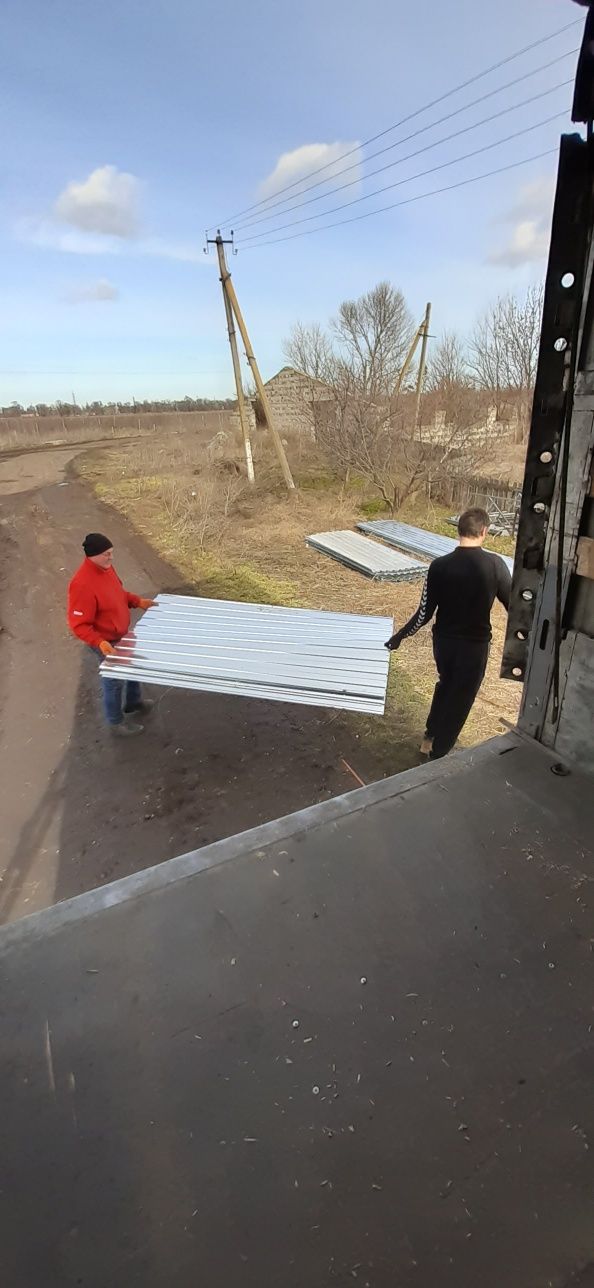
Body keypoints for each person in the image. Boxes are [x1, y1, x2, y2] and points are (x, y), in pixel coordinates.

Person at [385, 508, 511, 760]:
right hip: (474, 646)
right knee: (461, 698)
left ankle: (430, 736)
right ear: (484, 531)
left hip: (444, 643)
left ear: (459, 530)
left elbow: (424, 612)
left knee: (446, 685)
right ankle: (438, 754)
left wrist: (401, 635)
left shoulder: (439, 566)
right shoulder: (495, 564)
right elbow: (514, 606)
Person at [67, 533, 156, 737]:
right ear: (93, 555)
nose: (111, 557)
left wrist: (137, 601)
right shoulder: (82, 584)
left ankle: (133, 702)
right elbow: (79, 625)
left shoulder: (106, 569)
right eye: (107, 554)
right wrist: (100, 643)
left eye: (112, 553)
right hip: (106, 640)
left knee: (132, 666)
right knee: (114, 680)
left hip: (121, 632)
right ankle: (115, 722)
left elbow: (119, 594)